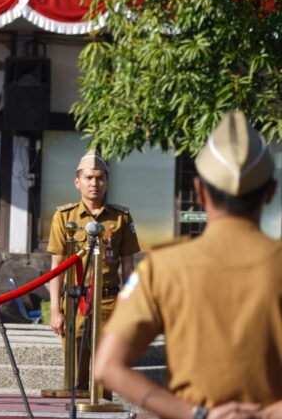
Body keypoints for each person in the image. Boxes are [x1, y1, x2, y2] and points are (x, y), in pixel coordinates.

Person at [95, 111, 282, 419]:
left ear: (199, 192)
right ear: (271, 192)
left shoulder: (162, 268)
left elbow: (107, 366)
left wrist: (196, 414)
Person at [46, 149, 140, 391]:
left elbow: (129, 267)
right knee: (74, 375)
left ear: (107, 182)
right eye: (88, 178)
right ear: (77, 182)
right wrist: (55, 310)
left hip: (109, 300)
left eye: (99, 178)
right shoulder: (64, 217)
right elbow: (55, 268)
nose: (94, 183)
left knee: (105, 375)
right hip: (76, 299)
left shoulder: (121, 218)